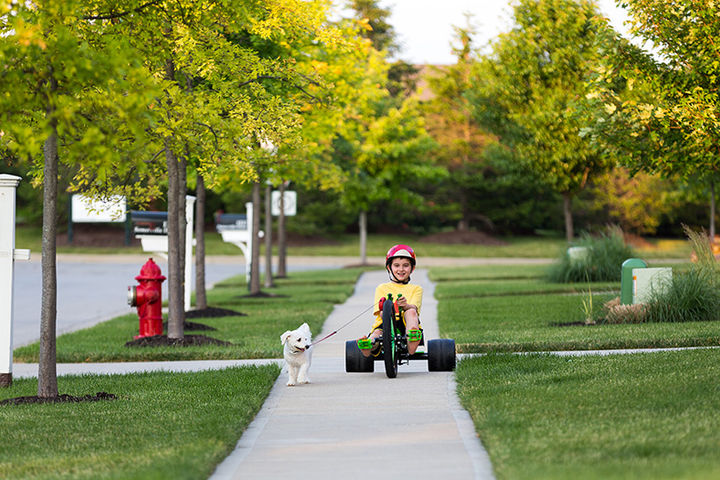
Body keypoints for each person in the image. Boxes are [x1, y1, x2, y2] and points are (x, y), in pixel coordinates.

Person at [357, 244, 423, 357]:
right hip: (385, 324)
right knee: (377, 333)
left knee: (410, 312)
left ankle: (412, 339)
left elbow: (414, 308)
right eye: (396, 265)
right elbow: (381, 313)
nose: (401, 269)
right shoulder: (382, 288)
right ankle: (368, 345)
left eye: (406, 265)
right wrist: (393, 308)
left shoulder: (416, 289)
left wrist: (405, 305)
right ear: (389, 267)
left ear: (412, 268)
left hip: (406, 325)